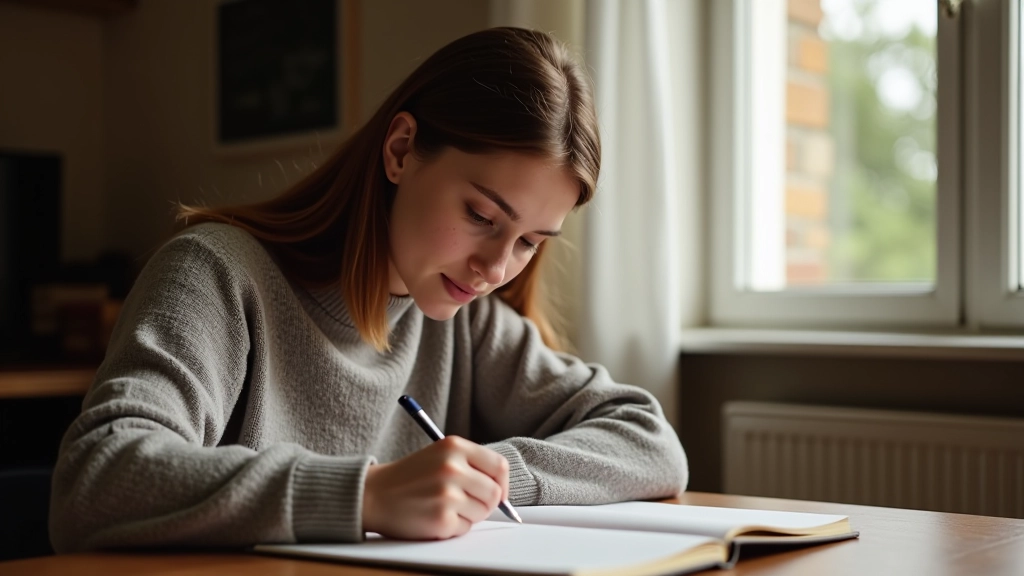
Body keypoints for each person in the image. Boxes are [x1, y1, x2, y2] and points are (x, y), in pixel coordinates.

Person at [49, 27, 688, 552]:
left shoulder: (466, 319)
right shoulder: (217, 273)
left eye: (529, 242)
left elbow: (648, 439)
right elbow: (98, 476)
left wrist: (489, 479)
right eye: (481, 216)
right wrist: (367, 495)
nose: (496, 268)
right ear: (402, 150)